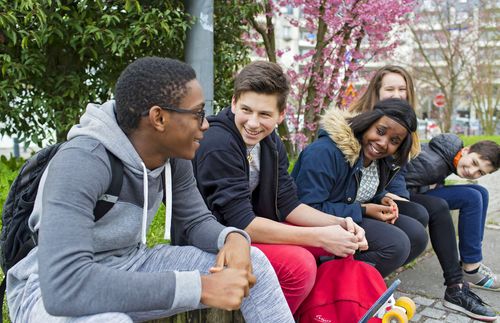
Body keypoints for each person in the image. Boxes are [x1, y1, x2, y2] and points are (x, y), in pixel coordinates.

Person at [6, 57, 295, 323]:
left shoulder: (173, 155)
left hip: (134, 262)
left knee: (253, 262)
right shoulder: (83, 161)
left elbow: (195, 221)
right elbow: (64, 286)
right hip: (46, 291)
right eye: (197, 113)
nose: (206, 124)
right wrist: (201, 287)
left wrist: (232, 238)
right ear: (159, 118)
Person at [192, 61, 368, 315]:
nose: (253, 123)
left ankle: (317, 315)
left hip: (246, 230)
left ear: (281, 115)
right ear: (233, 103)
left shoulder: (270, 142)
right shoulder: (218, 142)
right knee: (300, 265)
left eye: (264, 115)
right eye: (246, 110)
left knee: (342, 244)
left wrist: (338, 224)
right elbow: (241, 222)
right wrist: (320, 236)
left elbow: (287, 203)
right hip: (215, 240)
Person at [348, 64, 496, 321]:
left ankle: (457, 286)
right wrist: (393, 197)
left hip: (382, 193)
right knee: (429, 211)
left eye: (402, 89)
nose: (397, 94)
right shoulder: (364, 124)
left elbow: (397, 167)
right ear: (376, 91)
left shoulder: (405, 128)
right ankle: (459, 280)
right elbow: (395, 173)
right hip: (360, 200)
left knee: (472, 195)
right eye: (390, 89)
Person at [292, 98, 428, 279]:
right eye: (380, 131)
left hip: (348, 218)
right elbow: (306, 208)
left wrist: (381, 198)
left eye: (394, 140)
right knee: (396, 244)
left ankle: (361, 286)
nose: (382, 142)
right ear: (369, 122)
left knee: (417, 236)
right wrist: (364, 210)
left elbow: (359, 186)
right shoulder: (325, 152)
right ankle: (333, 286)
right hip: (317, 225)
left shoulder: (381, 160)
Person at [405, 134, 500, 291]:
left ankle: (472, 261)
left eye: (480, 172)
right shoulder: (433, 164)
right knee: (472, 197)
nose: (472, 171)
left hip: (419, 191)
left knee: (481, 192)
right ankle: (471, 268)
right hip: (403, 199)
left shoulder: (447, 154)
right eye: (474, 162)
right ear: (466, 150)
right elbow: (398, 179)